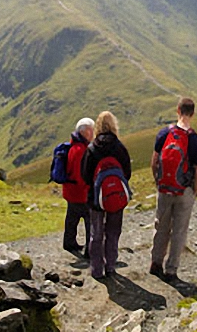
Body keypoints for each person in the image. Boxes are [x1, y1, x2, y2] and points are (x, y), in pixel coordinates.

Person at [149, 97, 197, 282]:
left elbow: (154, 161)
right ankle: (171, 270)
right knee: (179, 230)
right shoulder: (196, 140)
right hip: (184, 191)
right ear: (193, 114)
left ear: (178, 110)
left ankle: (155, 263)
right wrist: (194, 190)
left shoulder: (164, 133)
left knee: (161, 226)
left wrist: (159, 181)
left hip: (165, 188)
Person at [81, 111, 131, 279]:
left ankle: (97, 270)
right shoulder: (120, 148)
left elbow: (85, 175)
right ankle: (110, 266)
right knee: (113, 232)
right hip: (116, 198)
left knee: (96, 234)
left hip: (96, 198)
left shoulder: (92, 148)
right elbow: (127, 173)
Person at [62, 117, 95, 257]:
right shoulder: (81, 150)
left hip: (70, 191)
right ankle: (90, 250)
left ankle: (69, 243)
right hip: (80, 193)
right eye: (91, 130)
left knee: (72, 218)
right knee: (90, 222)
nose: (93, 133)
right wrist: (88, 188)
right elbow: (79, 174)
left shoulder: (72, 145)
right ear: (85, 131)